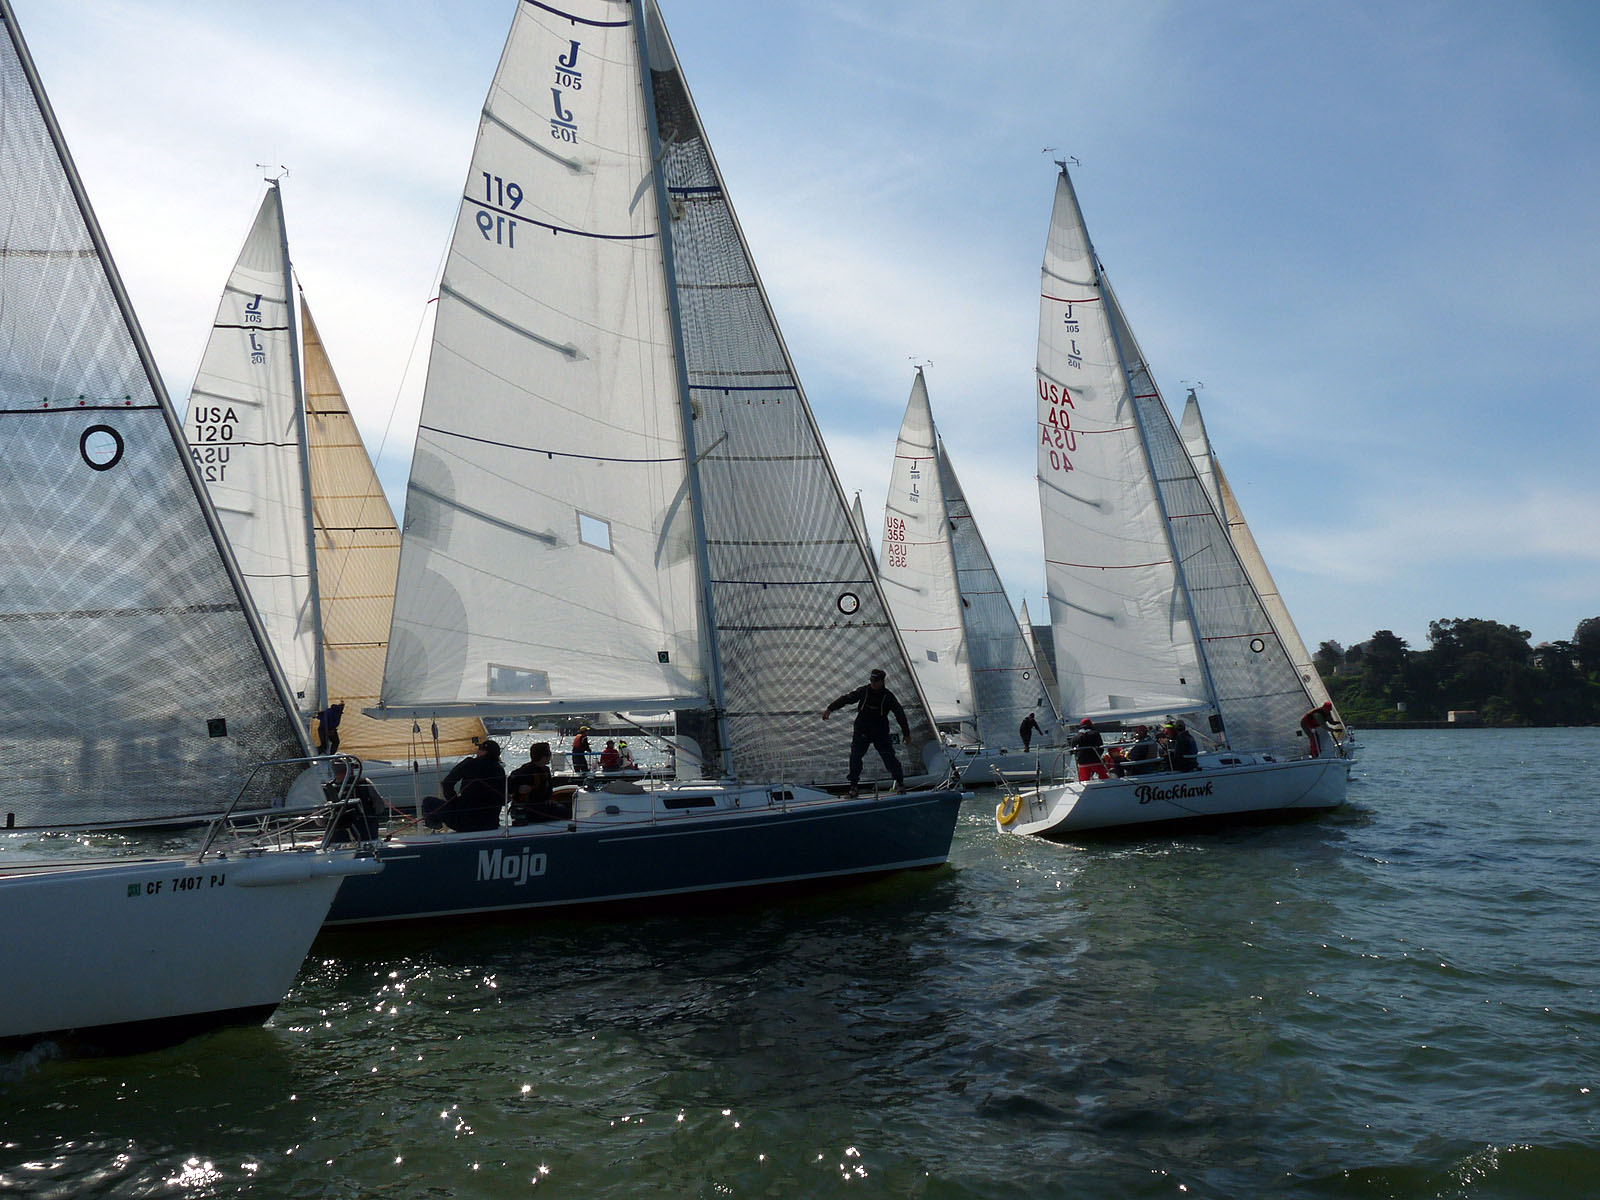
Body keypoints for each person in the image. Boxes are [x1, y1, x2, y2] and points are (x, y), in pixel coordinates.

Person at [822, 667, 910, 796]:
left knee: (889, 756)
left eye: (875, 681)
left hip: (880, 731)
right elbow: (847, 699)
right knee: (855, 756)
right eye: (871, 681)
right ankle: (853, 786)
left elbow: (899, 714)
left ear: (882, 682)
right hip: (862, 730)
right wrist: (830, 708)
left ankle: (900, 783)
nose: (872, 683)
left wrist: (906, 733)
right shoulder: (864, 691)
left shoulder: (888, 696)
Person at [422, 738, 506, 832]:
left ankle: (436, 828)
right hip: (491, 823)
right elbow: (504, 797)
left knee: (428, 802)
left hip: (463, 822)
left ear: (484, 752)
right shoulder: (500, 770)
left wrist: (454, 803)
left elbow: (447, 783)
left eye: (479, 749)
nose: (477, 752)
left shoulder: (470, 763)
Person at [323, 758, 386, 842]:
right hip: (367, 833)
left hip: (337, 837)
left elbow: (320, 820)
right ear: (350, 769)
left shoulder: (327, 789)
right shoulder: (364, 783)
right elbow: (379, 808)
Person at [507, 742, 568, 825]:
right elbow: (509, 787)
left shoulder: (546, 770)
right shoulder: (524, 771)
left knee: (564, 811)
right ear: (543, 757)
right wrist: (518, 789)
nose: (550, 757)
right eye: (549, 755)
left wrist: (549, 798)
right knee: (543, 815)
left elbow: (549, 788)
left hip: (542, 804)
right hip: (528, 806)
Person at [1071, 717, 1107, 782]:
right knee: (1104, 776)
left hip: (1082, 762)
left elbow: (1072, 750)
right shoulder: (1095, 734)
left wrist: (1078, 756)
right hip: (1095, 760)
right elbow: (1101, 747)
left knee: (1084, 779)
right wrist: (1098, 755)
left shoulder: (1075, 737)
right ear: (1091, 725)